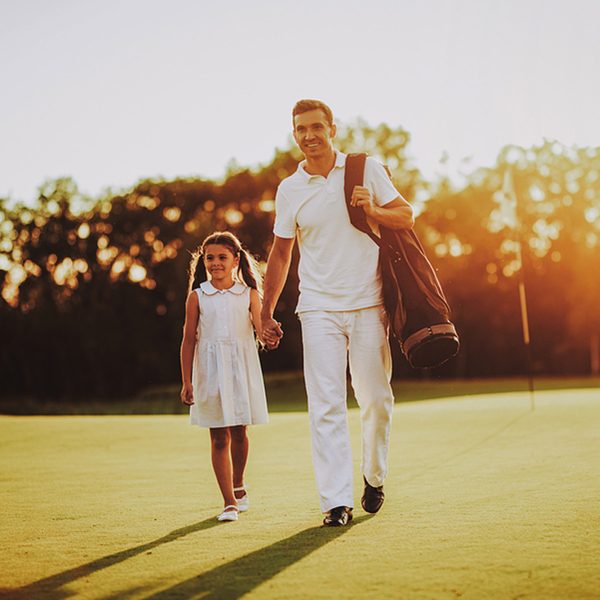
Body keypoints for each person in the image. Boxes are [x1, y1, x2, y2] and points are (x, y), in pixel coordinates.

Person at [261, 99, 414, 526]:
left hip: (369, 303)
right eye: (300, 129)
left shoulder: (365, 169)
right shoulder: (289, 189)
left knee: (376, 400)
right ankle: (335, 503)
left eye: (316, 127)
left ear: (332, 128)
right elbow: (280, 252)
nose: (309, 136)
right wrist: (265, 311)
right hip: (318, 308)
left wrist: (373, 210)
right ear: (294, 135)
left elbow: (406, 215)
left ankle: (374, 476)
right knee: (325, 404)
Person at [180, 231, 268, 522]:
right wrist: (187, 381)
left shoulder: (249, 294)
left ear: (235, 260)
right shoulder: (198, 296)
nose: (215, 263)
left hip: (241, 368)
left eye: (222, 258)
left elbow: (260, 330)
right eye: (210, 258)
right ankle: (229, 502)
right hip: (209, 371)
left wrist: (272, 334)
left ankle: (239, 483)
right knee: (219, 437)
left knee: (240, 431)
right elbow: (189, 340)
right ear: (203, 262)